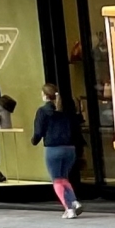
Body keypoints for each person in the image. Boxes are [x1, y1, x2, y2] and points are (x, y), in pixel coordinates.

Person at [31, 84, 82, 217]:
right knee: (63, 177)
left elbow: (39, 131)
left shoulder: (42, 111)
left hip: (53, 149)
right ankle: (74, 202)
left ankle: (69, 209)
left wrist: (34, 141)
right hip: (70, 149)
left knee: (57, 180)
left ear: (45, 95)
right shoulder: (66, 110)